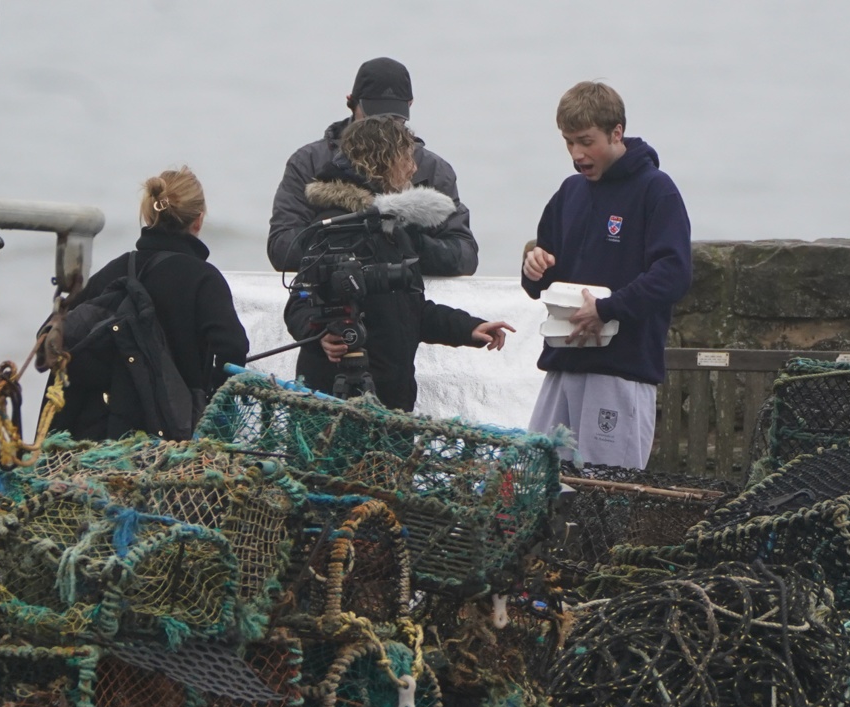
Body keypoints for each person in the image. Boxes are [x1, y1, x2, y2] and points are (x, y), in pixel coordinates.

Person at [284, 115, 513, 413]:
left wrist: (470, 328)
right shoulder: (335, 228)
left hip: (393, 400)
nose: (414, 168)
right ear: (381, 161)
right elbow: (298, 302)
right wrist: (319, 334)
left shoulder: (394, 230)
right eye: (407, 158)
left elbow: (412, 310)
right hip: (334, 403)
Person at [522, 81, 692, 469]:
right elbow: (545, 271)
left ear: (617, 133)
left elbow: (674, 272)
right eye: (568, 143)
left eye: (586, 141)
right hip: (563, 364)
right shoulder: (569, 192)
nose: (577, 155)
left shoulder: (656, 190)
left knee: (606, 493)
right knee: (537, 479)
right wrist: (534, 268)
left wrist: (608, 308)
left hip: (621, 370)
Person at [47, 166, 249, 441]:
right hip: (174, 434)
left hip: (98, 430)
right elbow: (232, 348)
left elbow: (58, 335)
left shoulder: (114, 271)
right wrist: (211, 396)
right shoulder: (204, 279)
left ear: (148, 215)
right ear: (198, 221)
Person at [267, 57, 478, 277]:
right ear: (351, 102)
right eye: (374, 117)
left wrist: (405, 243)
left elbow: (466, 255)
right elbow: (281, 248)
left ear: (410, 105)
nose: (383, 127)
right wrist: (357, 239)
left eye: (394, 119)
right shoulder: (309, 162)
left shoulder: (433, 169)